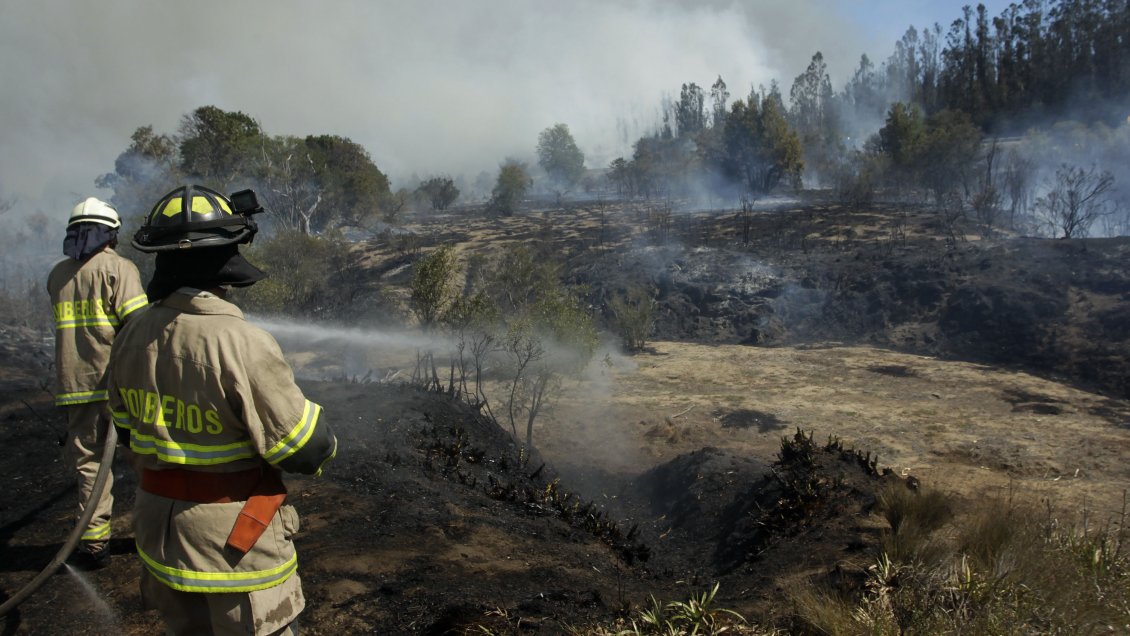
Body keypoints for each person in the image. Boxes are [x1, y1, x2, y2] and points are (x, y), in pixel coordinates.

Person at [107, 184, 337, 635]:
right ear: (228, 256)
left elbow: (129, 431)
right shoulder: (240, 342)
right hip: (233, 551)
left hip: (161, 536)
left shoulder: (130, 336)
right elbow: (306, 451)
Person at [47, 197, 148, 570]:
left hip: (75, 385)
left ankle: (93, 544)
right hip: (120, 385)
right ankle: (156, 532)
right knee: (146, 455)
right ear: (111, 233)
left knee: (89, 464)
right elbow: (138, 328)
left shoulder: (58, 275)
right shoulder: (119, 269)